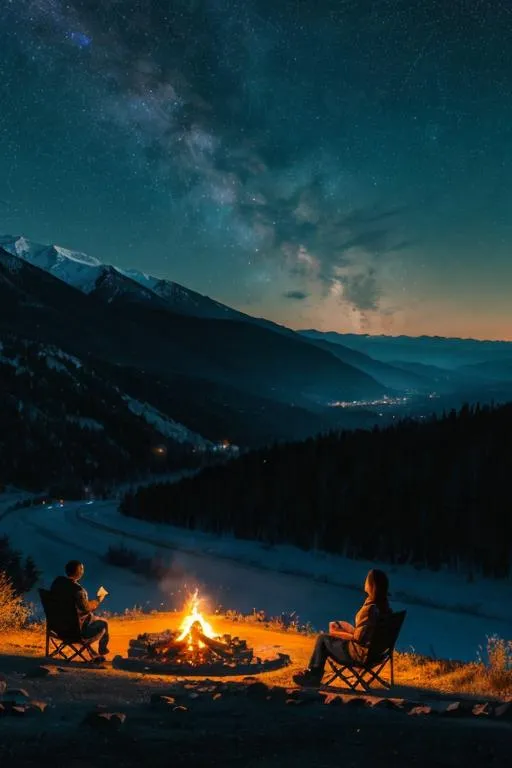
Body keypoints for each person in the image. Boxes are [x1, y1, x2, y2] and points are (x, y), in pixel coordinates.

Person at [293, 569, 391, 687]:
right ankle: (313, 674)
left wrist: (340, 634)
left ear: (371, 585)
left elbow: (358, 639)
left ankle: (313, 676)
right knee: (328, 638)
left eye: (367, 580)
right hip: (376, 655)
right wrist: (349, 630)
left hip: (360, 655)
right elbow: (366, 634)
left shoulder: (370, 609)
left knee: (323, 639)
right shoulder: (385, 608)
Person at [51, 560, 110, 661]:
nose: (83, 571)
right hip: (74, 632)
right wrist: (97, 601)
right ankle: (102, 649)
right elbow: (85, 608)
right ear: (78, 572)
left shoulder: (57, 584)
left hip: (57, 627)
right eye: (81, 569)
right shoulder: (78, 591)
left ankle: (93, 652)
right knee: (104, 623)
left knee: (91, 618)